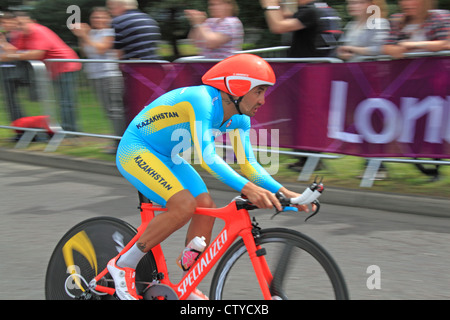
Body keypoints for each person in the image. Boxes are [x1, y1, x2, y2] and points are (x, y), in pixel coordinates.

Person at [108, 54, 314, 300]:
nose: (262, 99)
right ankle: (123, 264)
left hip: (167, 156)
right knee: (183, 205)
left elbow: (248, 164)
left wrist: (287, 194)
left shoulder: (240, 118)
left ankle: (187, 283)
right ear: (238, 87)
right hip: (137, 149)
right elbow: (208, 158)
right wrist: (249, 190)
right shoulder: (202, 100)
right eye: (258, 91)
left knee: (205, 207)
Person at [0, 11, 81, 132]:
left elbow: (37, 53)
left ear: (30, 22)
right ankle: (65, 130)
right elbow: (15, 51)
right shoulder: (23, 34)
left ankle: (70, 132)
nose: (19, 27)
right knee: (62, 101)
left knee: (66, 101)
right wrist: (3, 43)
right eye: (17, 24)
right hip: (54, 68)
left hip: (66, 66)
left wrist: (13, 56)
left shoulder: (38, 31)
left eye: (22, 23)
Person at [71, 7, 126, 153]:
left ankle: (121, 143)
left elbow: (102, 49)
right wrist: (82, 36)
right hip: (95, 75)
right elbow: (86, 52)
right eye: (95, 18)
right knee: (107, 110)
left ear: (108, 19)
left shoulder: (110, 32)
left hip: (110, 74)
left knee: (115, 110)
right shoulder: (92, 33)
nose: (98, 20)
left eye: (102, 17)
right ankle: (116, 141)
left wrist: (85, 35)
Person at [259, 0, 341, 58]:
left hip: (307, 70)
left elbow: (278, 27)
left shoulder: (311, 11)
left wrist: (270, 5)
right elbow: (286, 16)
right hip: (321, 67)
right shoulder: (324, 8)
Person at [383, 0, 449, 59]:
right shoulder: (396, 20)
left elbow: (445, 44)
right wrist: (394, 50)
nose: (406, 3)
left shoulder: (436, 18)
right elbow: (387, 47)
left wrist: (414, 45)